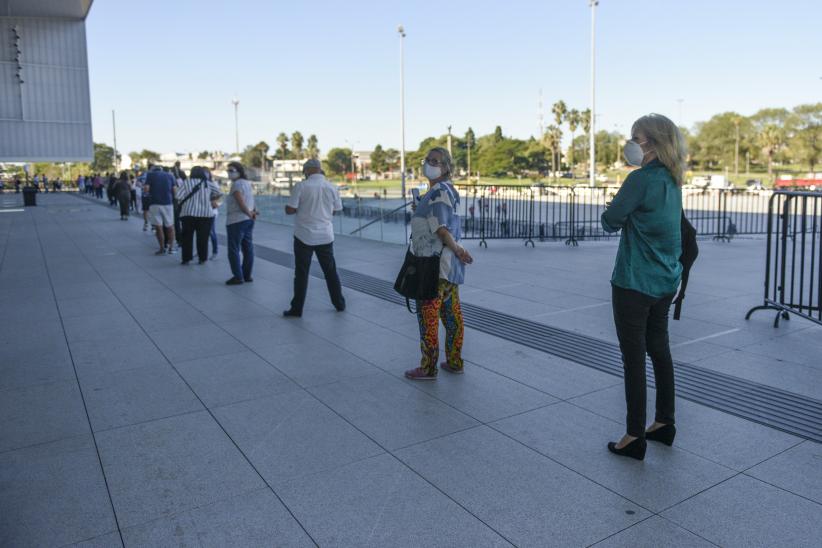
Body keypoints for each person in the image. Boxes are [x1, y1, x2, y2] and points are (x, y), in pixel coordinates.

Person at [601, 113, 685, 461]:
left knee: (633, 358)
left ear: (651, 142)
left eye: (636, 137)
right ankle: (664, 422)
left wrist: (615, 211)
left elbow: (609, 221)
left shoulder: (640, 180)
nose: (631, 143)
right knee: (659, 350)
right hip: (666, 280)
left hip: (634, 282)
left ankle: (634, 435)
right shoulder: (673, 179)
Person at [404, 147, 473, 381]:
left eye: (436, 161)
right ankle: (454, 362)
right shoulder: (447, 191)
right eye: (428, 160)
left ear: (445, 167)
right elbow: (437, 220)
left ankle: (428, 367)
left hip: (434, 266)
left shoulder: (438, 192)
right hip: (449, 266)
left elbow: (442, 229)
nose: (430, 164)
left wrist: (458, 250)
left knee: (428, 315)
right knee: (451, 314)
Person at [282, 159, 346, 317]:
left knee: (301, 273)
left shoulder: (301, 186)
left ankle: (297, 309)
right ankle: (339, 304)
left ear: (307, 171)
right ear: (319, 169)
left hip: (304, 235)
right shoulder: (332, 187)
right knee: (330, 271)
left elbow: (290, 209)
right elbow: (337, 209)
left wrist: (290, 208)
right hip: (325, 235)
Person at [177, 166, 222, 265]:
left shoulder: (186, 183)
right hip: (205, 215)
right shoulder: (208, 183)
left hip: (187, 214)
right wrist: (210, 198)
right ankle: (202, 258)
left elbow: (178, 196)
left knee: (187, 238)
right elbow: (219, 193)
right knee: (203, 238)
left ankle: (186, 259)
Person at [224, 162, 256, 285]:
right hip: (248, 220)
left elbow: (241, 203)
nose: (229, 173)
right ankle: (247, 275)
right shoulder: (247, 183)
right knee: (248, 248)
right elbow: (251, 200)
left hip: (236, 221)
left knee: (234, 249)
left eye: (232, 170)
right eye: (228, 170)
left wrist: (248, 213)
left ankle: (238, 276)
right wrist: (252, 213)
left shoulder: (236, 185)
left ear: (239, 171)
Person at [146, 165, 177, 255]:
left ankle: (162, 248)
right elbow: (175, 190)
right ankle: (171, 248)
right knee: (170, 226)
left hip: (154, 203)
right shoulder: (170, 175)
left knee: (158, 227)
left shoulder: (150, 175)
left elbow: (146, 189)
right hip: (168, 203)